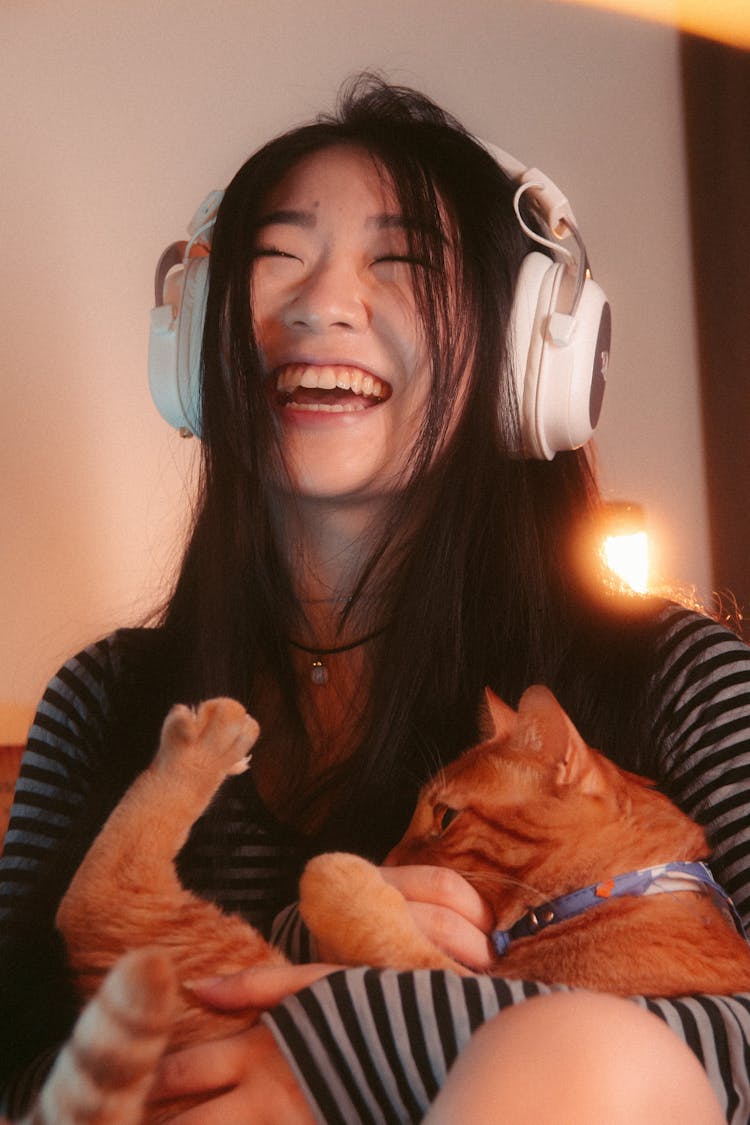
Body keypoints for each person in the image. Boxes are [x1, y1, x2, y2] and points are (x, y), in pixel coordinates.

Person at [1, 74, 749, 1123]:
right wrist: (301, 955)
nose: (319, 304)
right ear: (199, 343)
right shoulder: (108, 701)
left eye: (399, 265)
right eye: (276, 260)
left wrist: (327, 1038)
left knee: (590, 1052)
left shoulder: (685, 680)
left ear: (525, 354)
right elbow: (20, 1075)